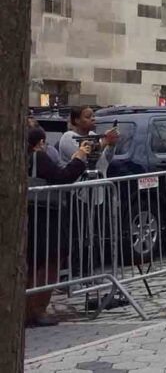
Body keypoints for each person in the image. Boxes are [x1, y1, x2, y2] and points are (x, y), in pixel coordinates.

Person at [26, 127, 89, 326]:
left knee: (34, 263)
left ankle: (30, 309)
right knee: (48, 261)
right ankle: (36, 310)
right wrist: (79, 158)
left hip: (32, 214)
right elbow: (62, 177)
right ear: (41, 142)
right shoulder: (39, 157)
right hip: (44, 214)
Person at [52, 106, 117, 171]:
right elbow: (85, 160)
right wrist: (104, 142)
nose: (93, 119)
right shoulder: (68, 137)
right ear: (77, 120)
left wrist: (111, 145)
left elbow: (104, 160)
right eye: (88, 117)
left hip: (98, 179)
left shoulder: (93, 135)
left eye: (93, 116)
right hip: (80, 180)